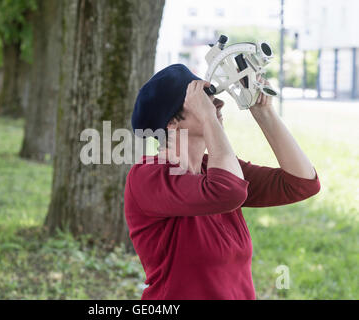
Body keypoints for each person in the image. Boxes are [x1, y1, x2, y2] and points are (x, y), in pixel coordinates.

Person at [124, 64, 320, 300]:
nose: (217, 104)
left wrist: (263, 112)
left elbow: (301, 183)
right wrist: (209, 118)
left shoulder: (213, 169)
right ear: (171, 123)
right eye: (200, 100)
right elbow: (226, 192)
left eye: (212, 96)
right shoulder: (147, 177)